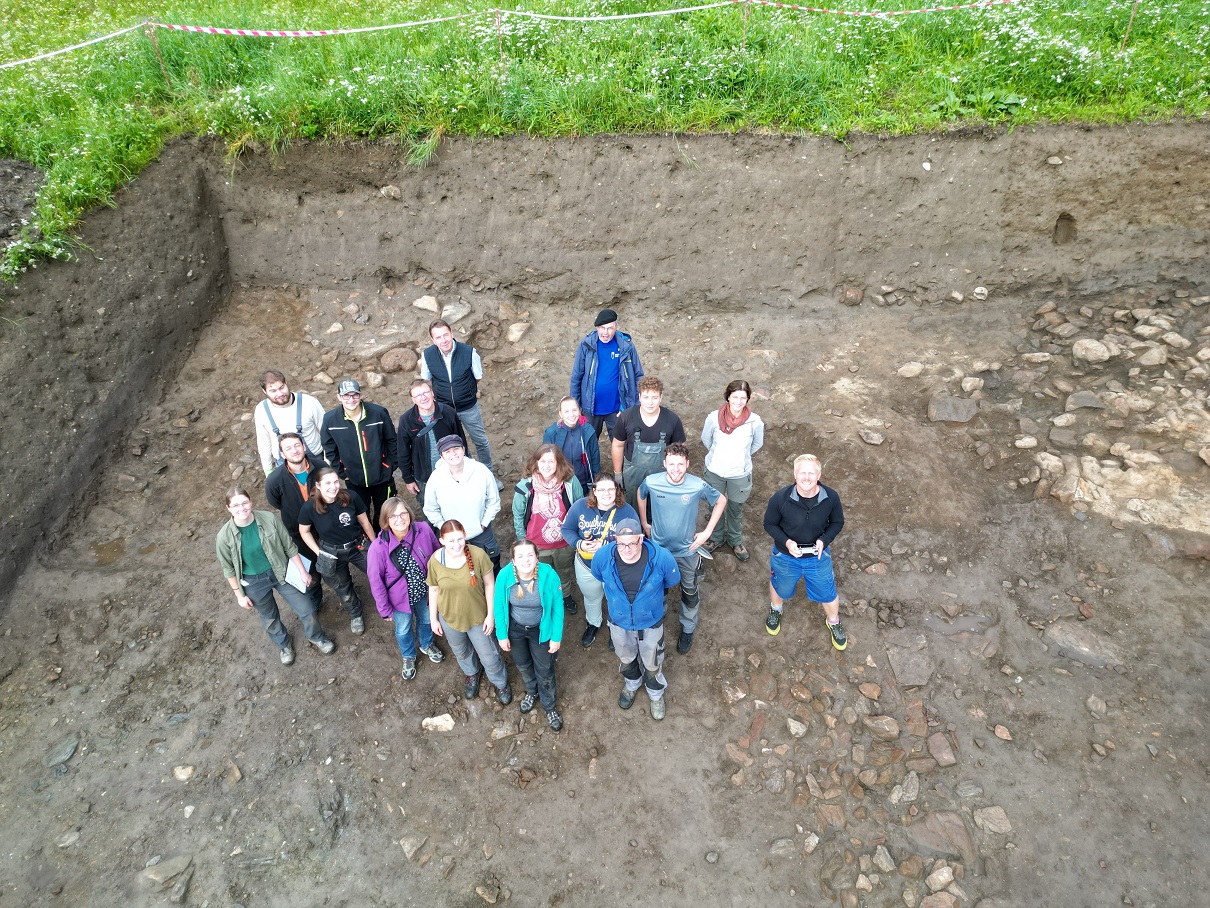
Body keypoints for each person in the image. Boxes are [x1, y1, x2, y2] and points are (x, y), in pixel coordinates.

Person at [215, 487, 335, 665]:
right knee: (269, 617)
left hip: (281, 571)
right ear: (228, 508)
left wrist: (302, 571)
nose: (241, 508)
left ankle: (316, 636)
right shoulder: (224, 537)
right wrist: (239, 595)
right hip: (253, 582)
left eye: (244, 503)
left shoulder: (268, 519)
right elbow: (229, 569)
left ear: (251, 502)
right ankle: (284, 645)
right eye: (235, 505)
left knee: (307, 608)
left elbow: (289, 546)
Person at [638, 442, 727, 656]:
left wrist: (707, 532)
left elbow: (721, 500)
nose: (676, 469)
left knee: (690, 592)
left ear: (687, 464)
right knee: (658, 589)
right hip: (659, 551)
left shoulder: (696, 485)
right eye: (671, 464)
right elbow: (641, 496)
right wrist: (645, 523)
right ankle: (657, 619)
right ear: (664, 464)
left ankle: (687, 627)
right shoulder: (652, 481)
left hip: (687, 551)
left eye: (680, 464)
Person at [590, 518, 680, 721]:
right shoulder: (604, 556)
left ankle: (656, 694)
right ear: (615, 540)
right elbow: (599, 576)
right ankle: (632, 683)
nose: (627, 549)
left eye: (632, 543)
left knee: (653, 661)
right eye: (622, 543)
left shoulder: (661, 558)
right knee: (626, 657)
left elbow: (671, 581)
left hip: (650, 622)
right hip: (619, 622)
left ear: (641, 538)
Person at [762, 454, 847, 650]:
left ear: (819, 474)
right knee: (779, 585)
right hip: (785, 555)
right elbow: (769, 524)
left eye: (811, 473)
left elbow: (837, 522)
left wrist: (824, 540)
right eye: (802, 472)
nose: (806, 477)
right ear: (794, 474)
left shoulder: (831, 497)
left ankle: (833, 621)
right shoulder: (780, 498)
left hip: (817, 556)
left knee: (827, 591)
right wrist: (786, 542)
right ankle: (776, 609)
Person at [427, 519, 512, 704]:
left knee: (489, 655)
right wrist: (434, 619)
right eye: (451, 541)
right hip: (449, 618)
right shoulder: (435, 560)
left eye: (460, 539)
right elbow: (433, 589)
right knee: (461, 651)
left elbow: (490, 584)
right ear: (441, 541)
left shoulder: (478, 555)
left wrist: (491, 615)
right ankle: (472, 673)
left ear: (465, 536)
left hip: (478, 617)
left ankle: (501, 683)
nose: (456, 545)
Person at [367, 498, 445, 680]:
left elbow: (437, 555)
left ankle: (426, 644)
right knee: (403, 629)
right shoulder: (378, 548)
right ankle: (408, 655)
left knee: (426, 620)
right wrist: (384, 609)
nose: (399, 519)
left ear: (409, 514)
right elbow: (376, 582)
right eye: (392, 516)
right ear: (385, 520)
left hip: (425, 593)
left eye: (402, 513)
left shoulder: (423, 530)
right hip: (399, 601)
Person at [420, 319, 502, 489]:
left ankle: (488, 475)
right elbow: (427, 378)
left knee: (480, 440)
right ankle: (468, 476)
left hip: (468, 407)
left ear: (452, 333)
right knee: (455, 444)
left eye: (445, 335)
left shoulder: (469, 352)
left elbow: (477, 376)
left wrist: (464, 392)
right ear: (432, 339)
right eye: (438, 337)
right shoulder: (428, 355)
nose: (443, 340)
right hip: (444, 410)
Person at [560, 472, 639, 647]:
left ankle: (615, 627)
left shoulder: (626, 511)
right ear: (594, 491)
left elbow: (635, 540)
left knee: (615, 598)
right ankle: (593, 623)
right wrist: (579, 543)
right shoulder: (580, 506)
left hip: (615, 566)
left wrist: (611, 547)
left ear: (616, 490)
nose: (606, 493)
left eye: (610, 489)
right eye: (601, 489)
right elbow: (566, 529)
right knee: (591, 597)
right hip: (585, 564)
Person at [494, 540, 564, 731]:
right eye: (520, 556)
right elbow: (499, 606)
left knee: (545, 669)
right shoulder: (504, 575)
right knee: (523, 664)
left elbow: (558, 608)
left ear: (537, 557)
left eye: (530, 555)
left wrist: (556, 637)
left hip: (540, 630)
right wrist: (501, 634)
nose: (526, 560)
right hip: (516, 629)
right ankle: (532, 692)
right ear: (514, 560)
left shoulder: (549, 575)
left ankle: (549, 706)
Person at [298, 466, 376, 636]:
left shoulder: (350, 497)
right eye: (327, 483)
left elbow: (365, 523)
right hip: (331, 552)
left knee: (378, 572)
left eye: (335, 482)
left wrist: (375, 545)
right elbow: (304, 531)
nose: (333, 487)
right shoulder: (309, 507)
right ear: (318, 485)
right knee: (343, 587)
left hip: (358, 546)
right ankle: (355, 613)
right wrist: (318, 552)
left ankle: (387, 600)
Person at [511, 444, 584, 616]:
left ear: (559, 463)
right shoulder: (525, 487)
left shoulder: (570, 482)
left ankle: (565, 595)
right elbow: (518, 516)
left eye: (551, 461)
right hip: (537, 545)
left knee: (564, 573)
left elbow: (579, 508)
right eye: (542, 461)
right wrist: (524, 543)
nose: (546, 465)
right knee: (540, 575)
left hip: (564, 544)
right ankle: (545, 599)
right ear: (536, 463)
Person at [320, 378, 398, 531]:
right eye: (346, 396)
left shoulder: (378, 413)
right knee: (361, 515)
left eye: (354, 395)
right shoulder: (330, 419)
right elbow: (329, 448)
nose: (351, 399)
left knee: (385, 513)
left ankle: (385, 541)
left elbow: (392, 441)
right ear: (339, 397)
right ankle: (368, 545)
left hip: (382, 476)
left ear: (361, 395)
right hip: (354, 479)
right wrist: (342, 472)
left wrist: (390, 466)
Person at [701, 379, 765, 562]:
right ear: (728, 396)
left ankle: (735, 541)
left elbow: (757, 444)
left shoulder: (755, 422)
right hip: (715, 471)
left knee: (736, 509)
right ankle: (716, 538)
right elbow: (706, 440)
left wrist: (740, 457)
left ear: (748, 399)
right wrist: (720, 457)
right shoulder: (713, 417)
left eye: (743, 398)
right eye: (735, 396)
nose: (738, 401)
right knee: (715, 506)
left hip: (739, 474)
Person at [264, 432, 328, 609]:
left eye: (297, 445)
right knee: (310, 573)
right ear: (282, 454)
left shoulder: (321, 467)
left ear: (304, 446)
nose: (294, 451)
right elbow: (275, 502)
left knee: (335, 567)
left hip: (325, 528)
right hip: (298, 534)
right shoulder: (274, 480)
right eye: (288, 448)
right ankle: (316, 604)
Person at [423, 435, 503, 573]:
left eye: (456, 449)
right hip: (453, 539)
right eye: (447, 451)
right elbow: (430, 509)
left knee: (491, 565)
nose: (453, 454)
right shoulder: (435, 478)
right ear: (441, 456)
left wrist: (483, 524)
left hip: (480, 532)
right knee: (461, 572)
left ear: (463, 449)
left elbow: (493, 501)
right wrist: (444, 527)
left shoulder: (481, 471)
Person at [610, 376, 686, 510]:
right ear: (639, 397)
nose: (650, 402)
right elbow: (618, 445)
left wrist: (677, 475)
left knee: (660, 511)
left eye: (654, 397)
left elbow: (681, 452)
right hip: (633, 476)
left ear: (661, 398)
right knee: (634, 512)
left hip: (662, 476)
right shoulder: (626, 417)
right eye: (646, 397)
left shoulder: (672, 420)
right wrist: (618, 474)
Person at [569, 308, 644, 441]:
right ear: (597, 327)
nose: (605, 332)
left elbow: (638, 376)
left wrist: (634, 406)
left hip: (617, 409)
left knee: (621, 446)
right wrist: (575, 406)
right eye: (602, 328)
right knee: (586, 445)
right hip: (589, 409)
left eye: (610, 328)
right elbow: (577, 377)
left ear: (616, 327)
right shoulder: (586, 345)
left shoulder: (627, 347)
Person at [397, 379, 466, 505]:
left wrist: (464, 469)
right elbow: (403, 452)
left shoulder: (448, 413)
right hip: (424, 478)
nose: (423, 398)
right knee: (431, 513)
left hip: (451, 473)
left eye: (426, 393)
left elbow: (461, 442)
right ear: (413, 400)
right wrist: (408, 479)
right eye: (418, 395)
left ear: (432, 393)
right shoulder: (406, 420)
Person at [254, 369, 326, 475]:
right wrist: (268, 471)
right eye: (273, 391)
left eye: (281, 387)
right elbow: (264, 443)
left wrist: (328, 462)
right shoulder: (261, 410)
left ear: (286, 383)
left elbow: (327, 433)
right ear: (264, 391)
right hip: (283, 465)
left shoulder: (310, 403)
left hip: (315, 460)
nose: (280, 393)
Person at [542, 397, 600, 492]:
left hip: (584, 484)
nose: (571, 415)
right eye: (567, 411)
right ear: (560, 414)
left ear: (579, 411)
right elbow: (545, 461)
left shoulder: (588, 431)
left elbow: (595, 458)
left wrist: (596, 482)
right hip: (560, 485)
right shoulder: (551, 433)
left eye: (574, 410)